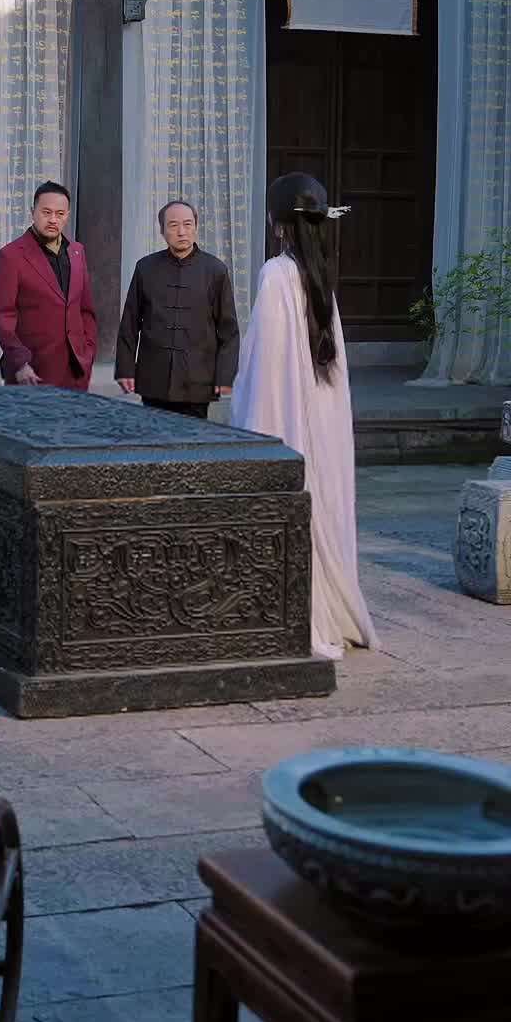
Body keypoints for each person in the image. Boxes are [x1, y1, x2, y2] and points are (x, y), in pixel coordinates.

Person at [231, 171, 377, 661]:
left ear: (278, 224)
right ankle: (333, 609)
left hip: (289, 417)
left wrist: (251, 423)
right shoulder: (320, 275)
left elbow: (267, 364)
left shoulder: (277, 273)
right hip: (321, 420)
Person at [115, 199, 239, 419]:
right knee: (153, 436)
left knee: (192, 438)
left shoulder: (215, 270)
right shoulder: (145, 268)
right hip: (154, 378)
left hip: (198, 380)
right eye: (173, 225)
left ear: (196, 227)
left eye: (187, 224)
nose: (181, 232)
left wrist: (225, 376)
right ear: (162, 231)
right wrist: (125, 369)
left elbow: (229, 331)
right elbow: (130, 323)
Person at [0, 182, 97, 390]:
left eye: (60, 214)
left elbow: (85, 310)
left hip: (76, 372)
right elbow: (2, 316)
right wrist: (19, 363)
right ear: (33, 212)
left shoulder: (77, 251)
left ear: (67, 216)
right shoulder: (10, 256)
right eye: (46, 212)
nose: (53, 220)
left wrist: (88, 352)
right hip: (31, 373)